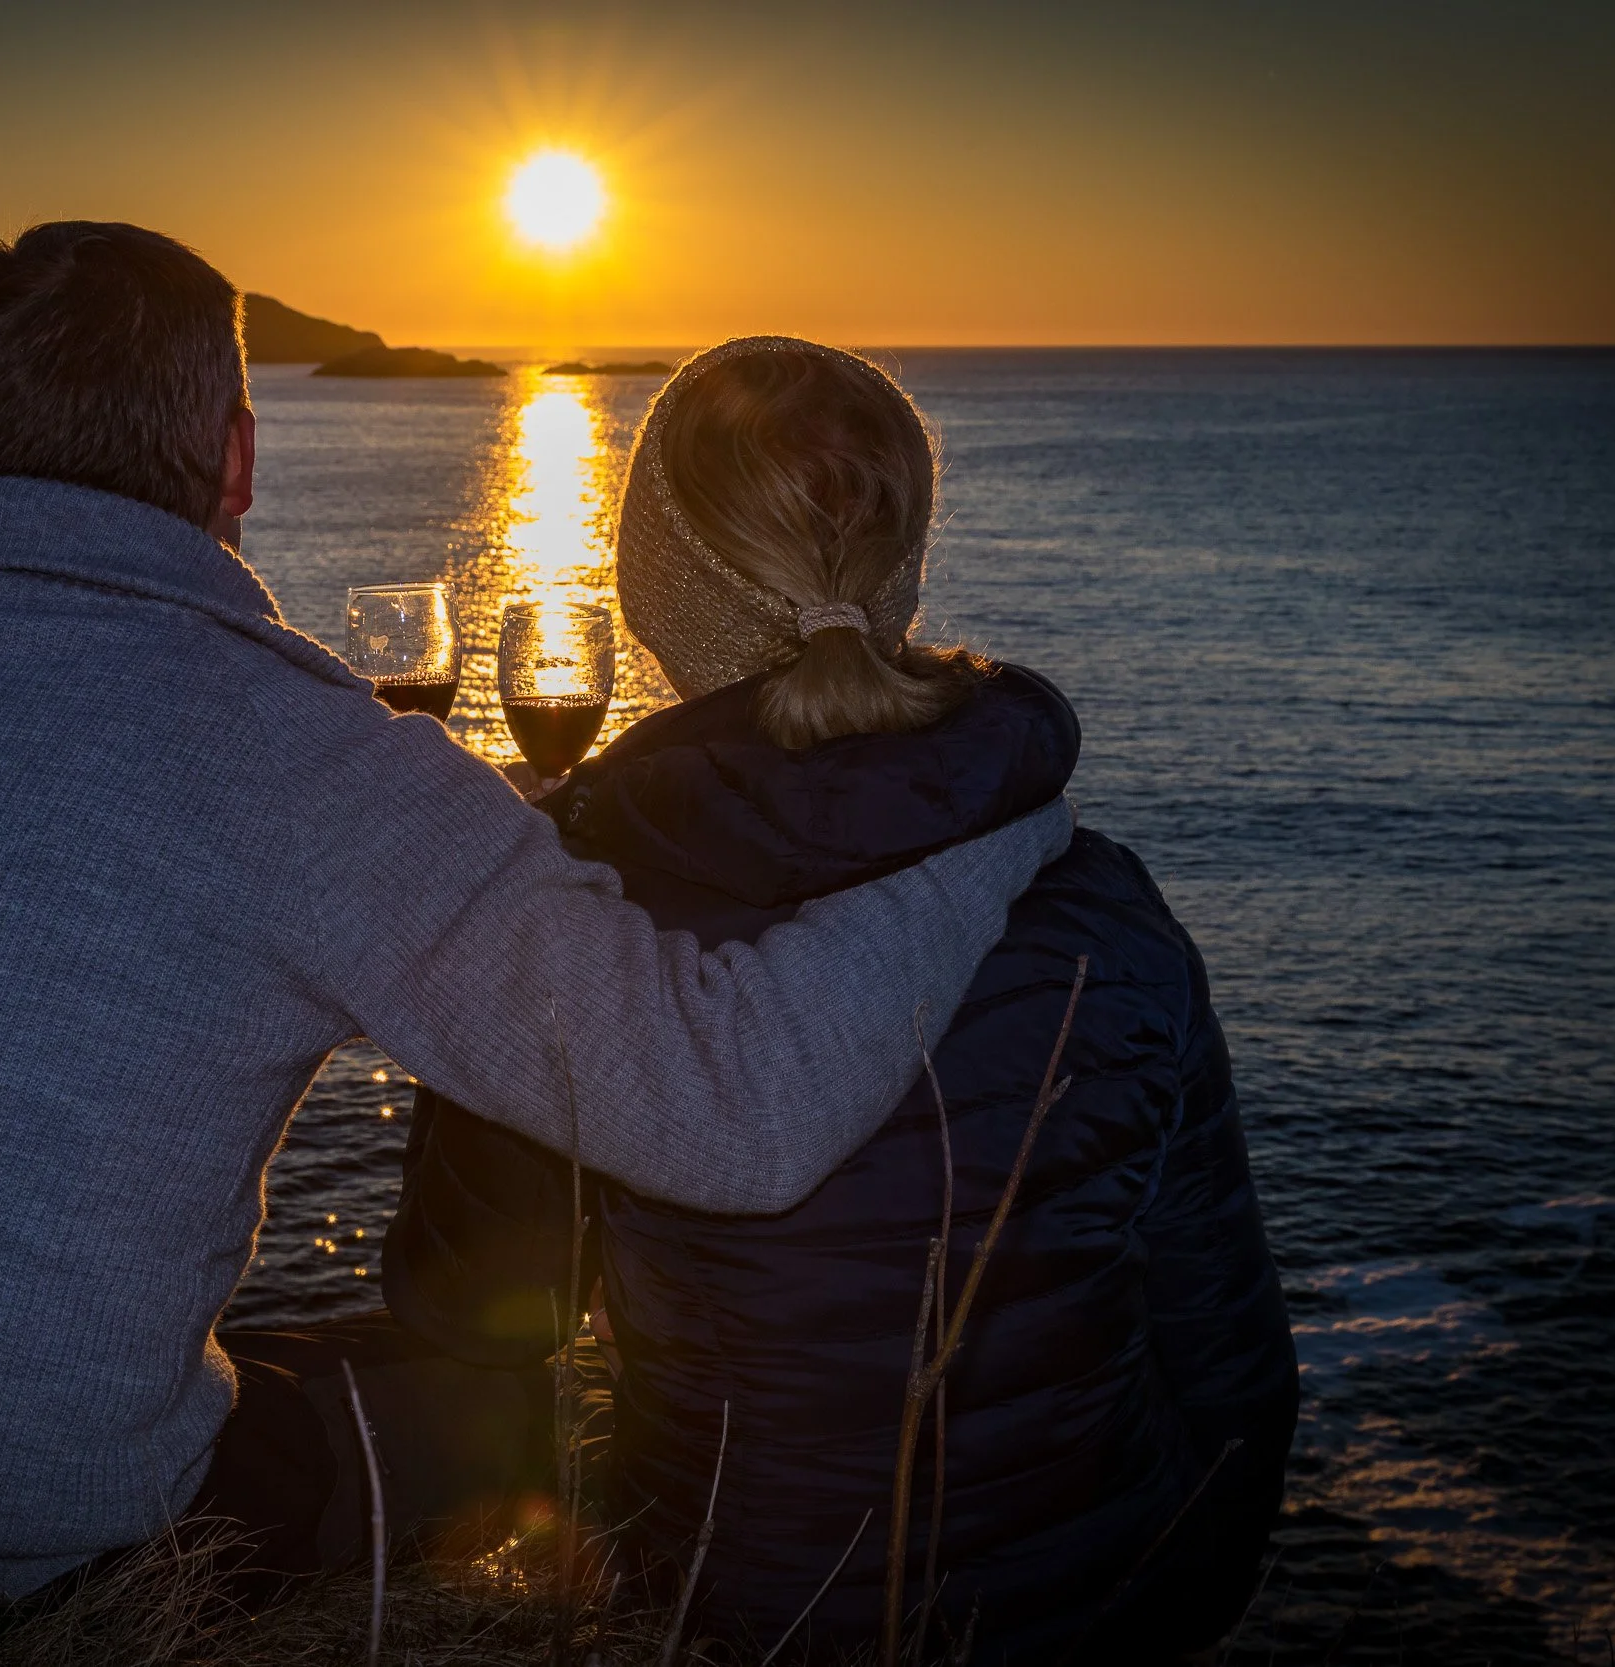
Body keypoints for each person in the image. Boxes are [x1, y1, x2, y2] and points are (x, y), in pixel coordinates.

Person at [0, 229, 1073, 1621]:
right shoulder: (303, 756)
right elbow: (740, 1113)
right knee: (492, 1404)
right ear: (238, 459)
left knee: (272, 1350)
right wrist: (991, 829)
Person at [385, 337, 1297, 1663]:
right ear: (906, 570)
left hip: (738, 1618)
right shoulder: (1104, 903)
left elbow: (473, 1316)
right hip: (1104, 1606)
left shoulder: (582, 919)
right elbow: (1229, 1364)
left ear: (647, 587)